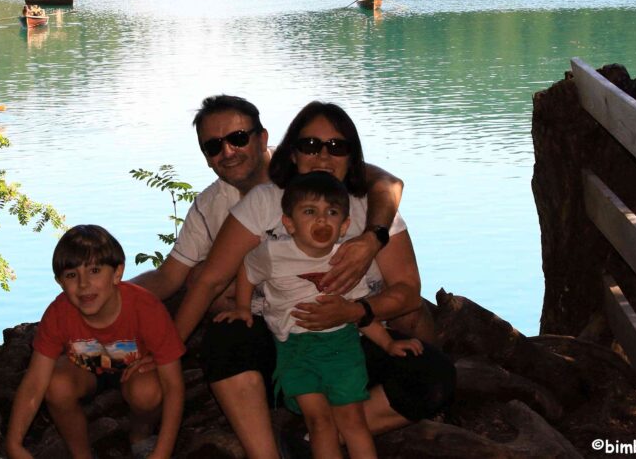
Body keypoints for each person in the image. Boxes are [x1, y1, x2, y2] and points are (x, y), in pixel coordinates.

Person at [172, 100, 456, 458]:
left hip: (351, 346)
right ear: (292, 153)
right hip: (285, 348)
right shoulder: (265, 201)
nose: (323, 156)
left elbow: (408, 292)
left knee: (433, 376)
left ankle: (317, 437)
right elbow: (209, 281)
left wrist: (353, 312)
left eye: (337, 147)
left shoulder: (368, 207)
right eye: (309, 145)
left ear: (353, 157)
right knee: (226, 336)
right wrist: (169, 354)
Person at [215, 172, 423, 459]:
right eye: (310, 212)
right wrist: (241, 307)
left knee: (353, 422)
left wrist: (387, 343)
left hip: (344, 348)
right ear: (289, 223)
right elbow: (247, 271)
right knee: (320, 421)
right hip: (296, 350)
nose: (322, 220)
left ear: (344, 225)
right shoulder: (272, 253)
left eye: (332, 212)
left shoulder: (346, 260)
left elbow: (358, 312)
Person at [5, 225, 185, 459]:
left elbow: (173, 386)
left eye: (95, 271)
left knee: (147, 392)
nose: (83, 284)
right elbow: (34, 382)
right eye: (71, 275)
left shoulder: (146, 308)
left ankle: (140, 435)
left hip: (135, 372)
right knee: (55, 384)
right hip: (83, 371)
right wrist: (14, 443)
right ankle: (82, 454)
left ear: (117, 273)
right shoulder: (59, 313)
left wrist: (162, 453)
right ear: (60, 282)